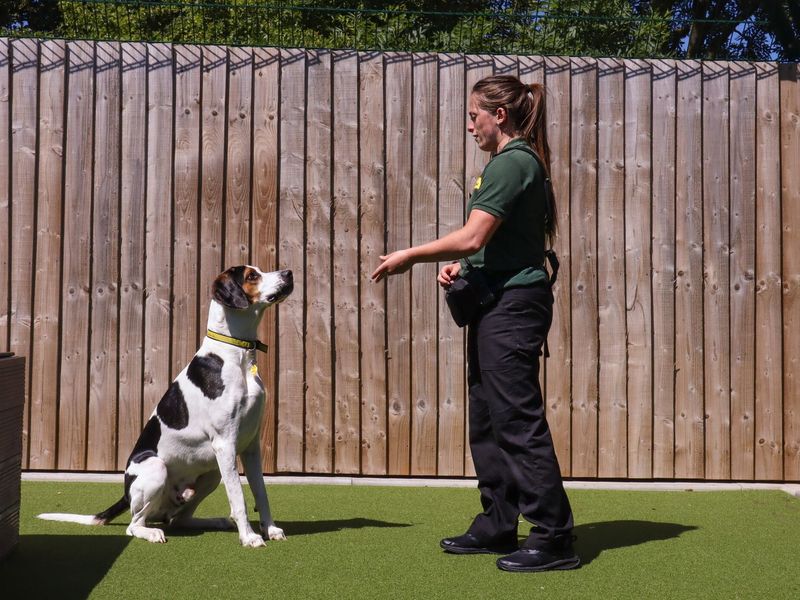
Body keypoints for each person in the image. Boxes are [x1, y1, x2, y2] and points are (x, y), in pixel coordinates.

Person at [371, 74, 578, 572]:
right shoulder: (504, 165)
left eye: (473, 115)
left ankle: (553, 534)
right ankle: (499, 523)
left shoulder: (514, 163)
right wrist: (466, 267)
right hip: (495, 301)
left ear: (498, 115)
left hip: (515, 306)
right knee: (487, 416)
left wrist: (412, 255)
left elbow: (473, 236)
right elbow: (492, 245)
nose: (470, 125)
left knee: (517, 418)